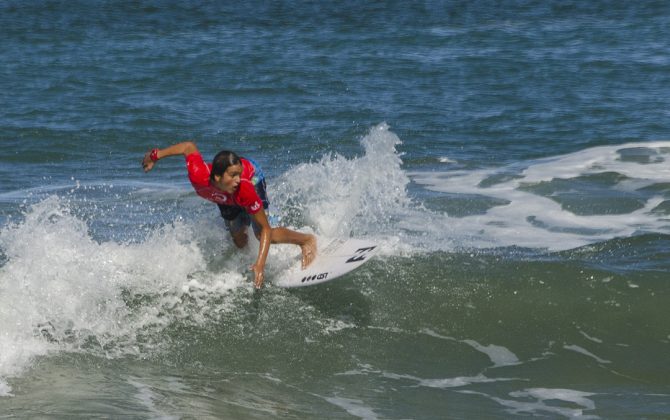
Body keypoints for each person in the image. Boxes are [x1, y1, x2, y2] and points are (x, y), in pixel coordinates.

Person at [141, 141, 316, 289]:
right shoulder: (198, 175)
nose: (238, 179)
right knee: (239, 240)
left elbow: (265, 229)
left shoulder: (244, 186)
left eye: (238, 175)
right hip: (224, 196)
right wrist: (155, 155)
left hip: (253, 177)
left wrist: (260, 265)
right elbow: (188, 147)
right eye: (233, 175)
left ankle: (306, 240)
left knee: (259, 231)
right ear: (217, 177)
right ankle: (245, 217)